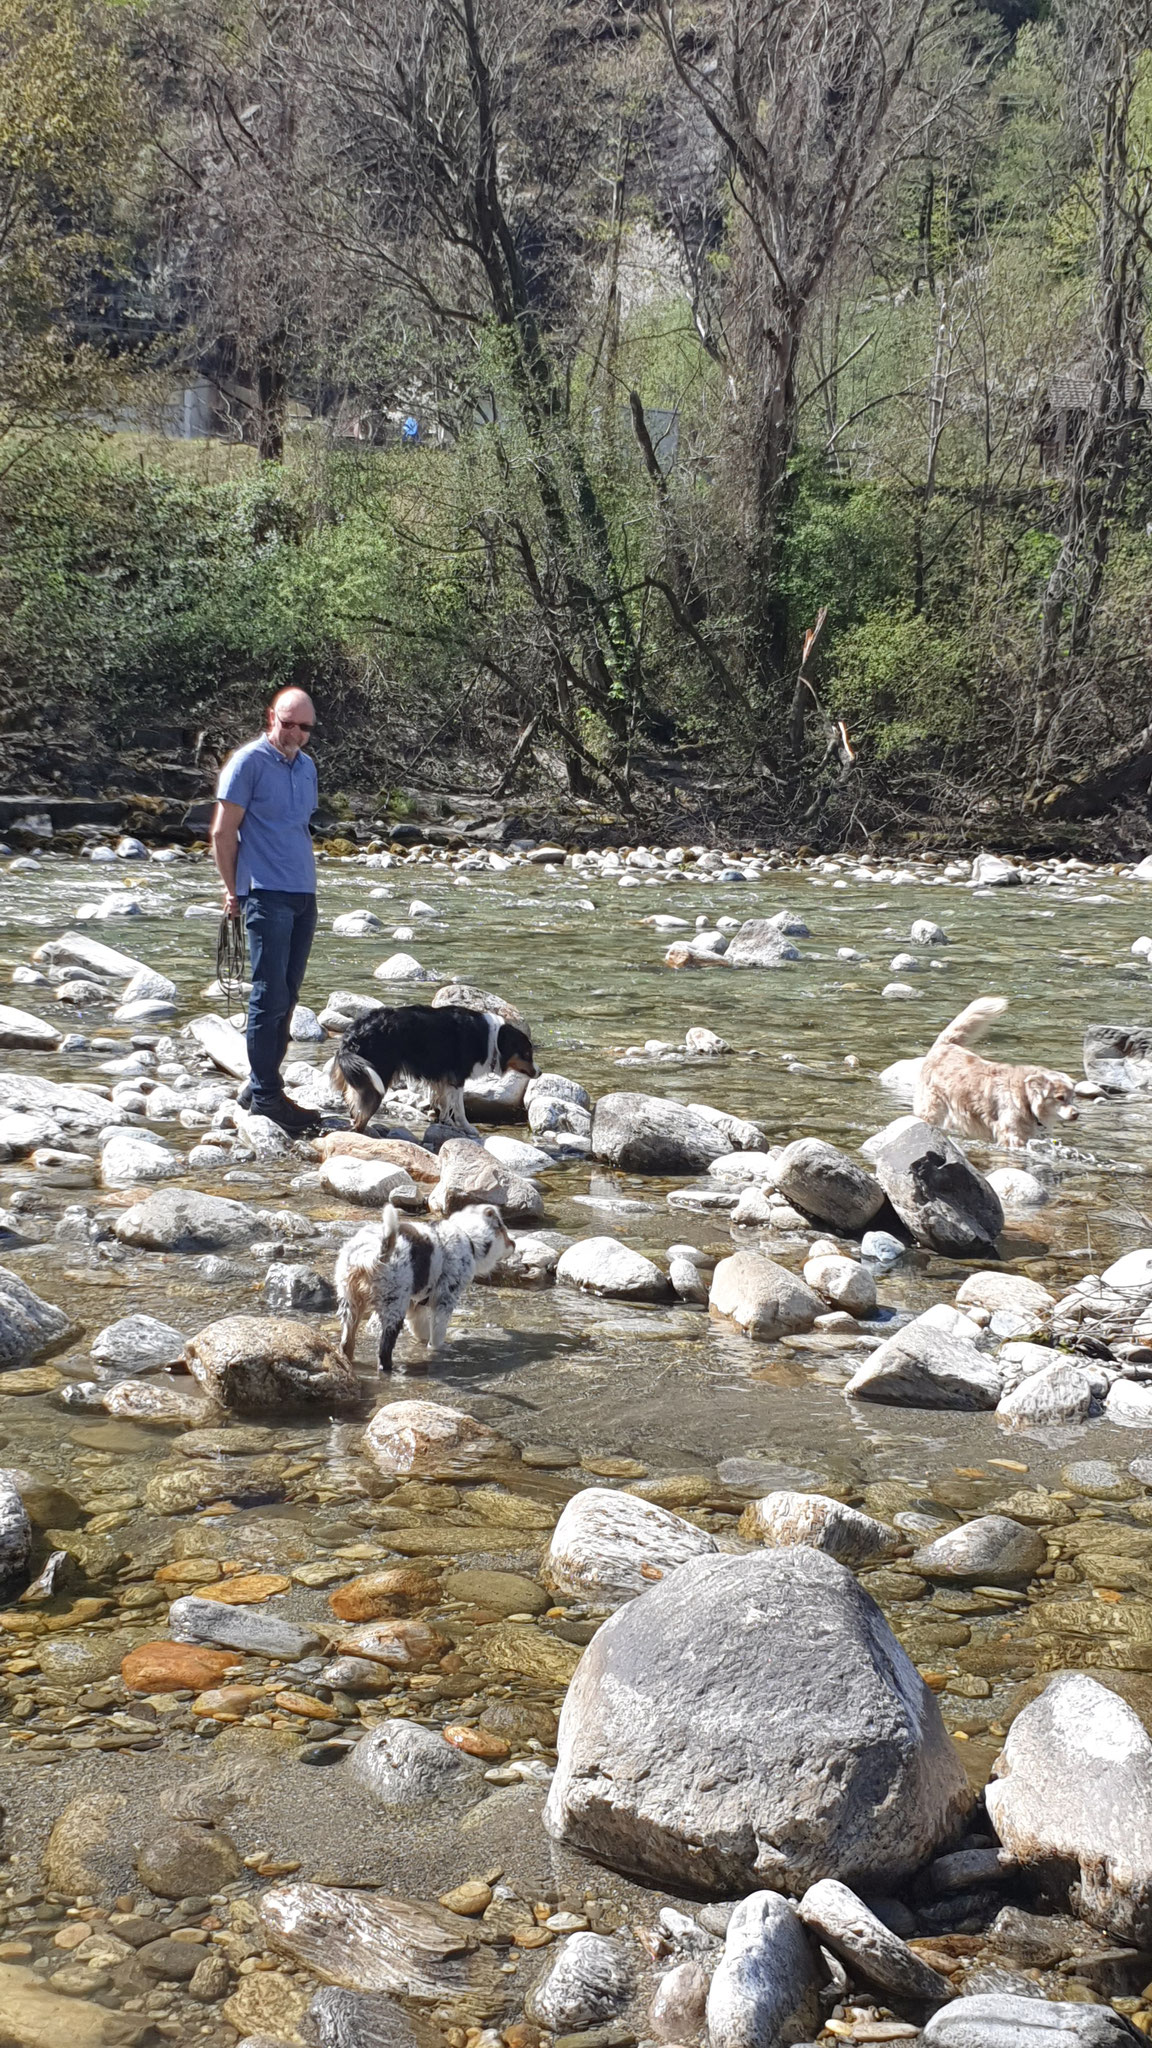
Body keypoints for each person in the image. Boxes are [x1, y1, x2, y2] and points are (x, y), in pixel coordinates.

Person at [211, 689, 322, 1137]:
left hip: (302, 894)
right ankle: (268, 1098)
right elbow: (223, 833)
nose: (294, 733)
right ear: (271, 717)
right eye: (288, 723)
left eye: (304, 727)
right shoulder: (247, 762)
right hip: (264, 893)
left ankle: (257, 1088)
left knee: (289, 996)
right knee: (267, 996)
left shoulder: (307, 766)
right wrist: (232, 891)